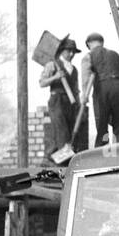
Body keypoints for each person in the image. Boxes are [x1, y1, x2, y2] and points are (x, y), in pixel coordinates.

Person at [40, 35, 87, 165]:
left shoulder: (74, 70)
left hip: (71, 103)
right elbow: (42, 83)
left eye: (73, 52)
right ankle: (62, 165)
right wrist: (55, 77)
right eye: (68, 51)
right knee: (62, 134)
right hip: (57, 101)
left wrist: (79, 105)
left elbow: (76, 89)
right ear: (61, 51)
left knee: (72, 134)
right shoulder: (52, 65)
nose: (71, 54)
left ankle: (55, 161)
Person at [82, 31, 119, 146]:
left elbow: (85, 77)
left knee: (102, 125)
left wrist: (84, 96)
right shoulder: (115, 54)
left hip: (102, 90)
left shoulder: (88, 56)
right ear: (102, 43)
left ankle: (102, 155)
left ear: (89, 44)